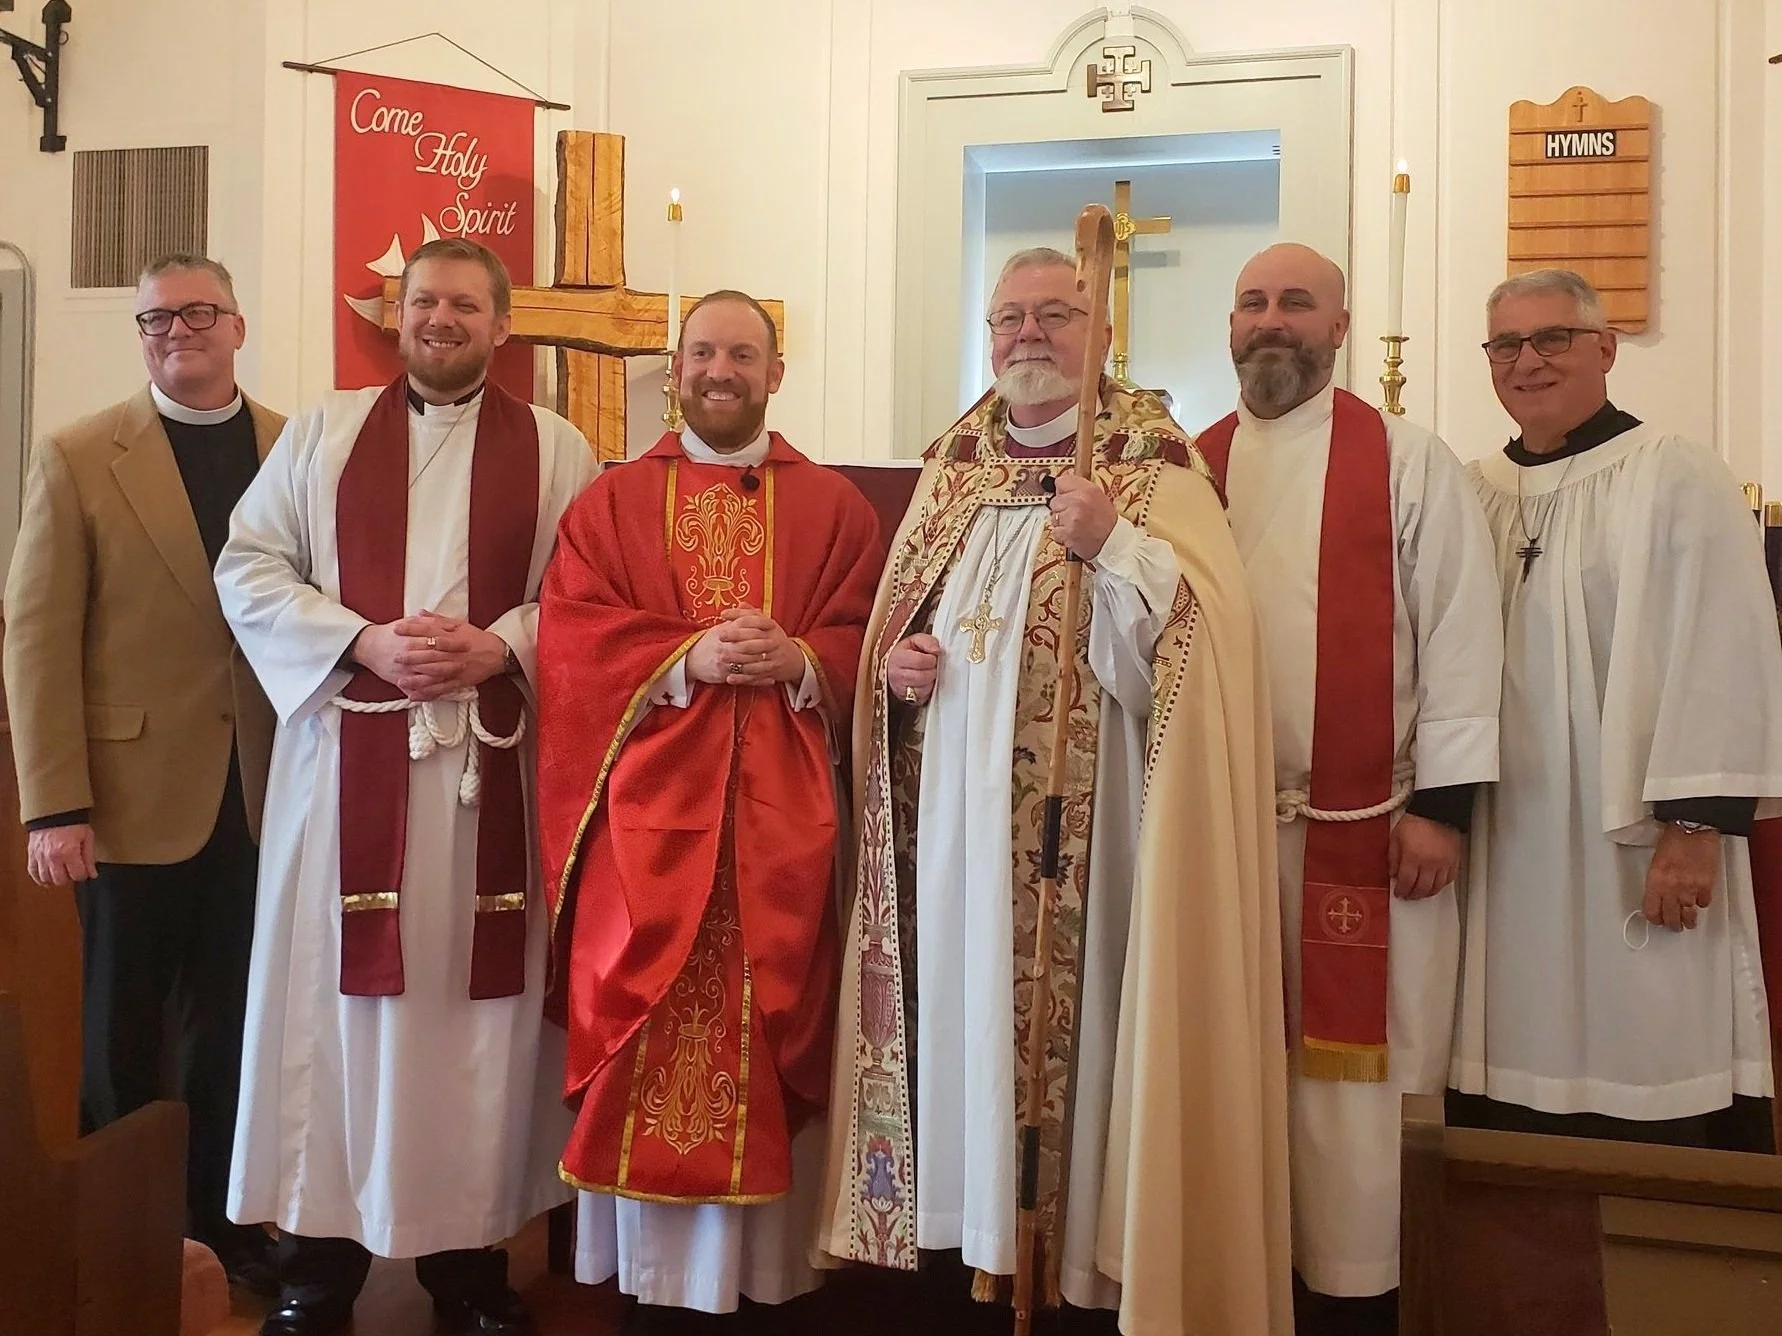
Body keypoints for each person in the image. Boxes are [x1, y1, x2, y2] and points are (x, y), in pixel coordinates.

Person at [817, 246, 1292, 1335]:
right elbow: (904, 629)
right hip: (952, 841)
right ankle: (964, 1246)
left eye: (1056, 315)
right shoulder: (953, 466)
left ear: (1102, 332)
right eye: (1008, 318)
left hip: (1096, 845)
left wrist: (1114, 543)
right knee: (962, 1024)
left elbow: (1200, 658)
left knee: (1082, 1059)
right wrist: (896, 670)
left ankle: (1070, 1265)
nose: (1028, 335)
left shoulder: (1152, 464)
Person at [213, 238, 595, 1336]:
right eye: (423, 300)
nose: (441, 318)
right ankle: (315, 1271)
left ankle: (469, 1271)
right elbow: (248, 565)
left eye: (465, 304)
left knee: (471, 1024)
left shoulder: (558, 449)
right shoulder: (323, 435)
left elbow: (591, 594)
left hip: (486, 779)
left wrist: (501, 643)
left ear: (501, 324)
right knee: (330, 1012)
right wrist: (364, 639)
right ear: (397, 315)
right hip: (344, 770)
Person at [535, 289, 881, 1334]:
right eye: (701, 352)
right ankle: (650, 1289)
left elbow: (876, 633)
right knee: (648, 1039)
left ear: (777, 372)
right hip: (649, 830)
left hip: (783, 835)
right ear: (674, 369)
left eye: (742, 353)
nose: (718, 369)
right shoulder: (609, 503)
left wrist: (807, 659)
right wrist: (684, 654)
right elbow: (570, 639)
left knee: (774, 1040)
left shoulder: (834, 507)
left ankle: (769, 1288)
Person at [1192, 242, 1503, 1335]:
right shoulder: (1191, 466)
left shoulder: (1407, 460)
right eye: (1253, 303)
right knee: (1232, 1072)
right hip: (1219, 832)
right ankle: (1244, 1286)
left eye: (1296, 304)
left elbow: (1464, 635)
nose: (1271, 322)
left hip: (1369, 830)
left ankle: (1358, 1298)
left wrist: (1443, 809)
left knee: (1352, 1097)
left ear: (1339, 326)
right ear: (1229, 325)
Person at [1450, 267, 1782, 1154]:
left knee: (1654, 1020)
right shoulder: (1470, 489)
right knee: (1508, 1032)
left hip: (1636, 835)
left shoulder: (1674, 472)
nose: (1528, 361)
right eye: (1507, 345)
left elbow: (1725, 648)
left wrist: (1693, 828)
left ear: (1604, 348)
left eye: (1551, 338)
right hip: (1506, 829)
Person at [3, 253, 282, 1290]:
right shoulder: (78, 453)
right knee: (121, 1027)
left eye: (199, 312)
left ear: (238, 326)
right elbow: (36, 638)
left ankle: (223, 1225)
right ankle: (129, 1231)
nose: (177, 331)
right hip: (122, 798)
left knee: (232, 1024)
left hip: (260, 792)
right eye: (155, 319)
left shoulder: (291, 450)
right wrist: (54, 804)